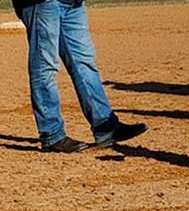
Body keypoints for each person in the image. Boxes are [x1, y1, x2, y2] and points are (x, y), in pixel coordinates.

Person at [13, 0, 147, 152]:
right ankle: (52, 135)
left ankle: (105, 127)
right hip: (42, 3)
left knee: (84, 63)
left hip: (72, 3)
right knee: (45, 67)